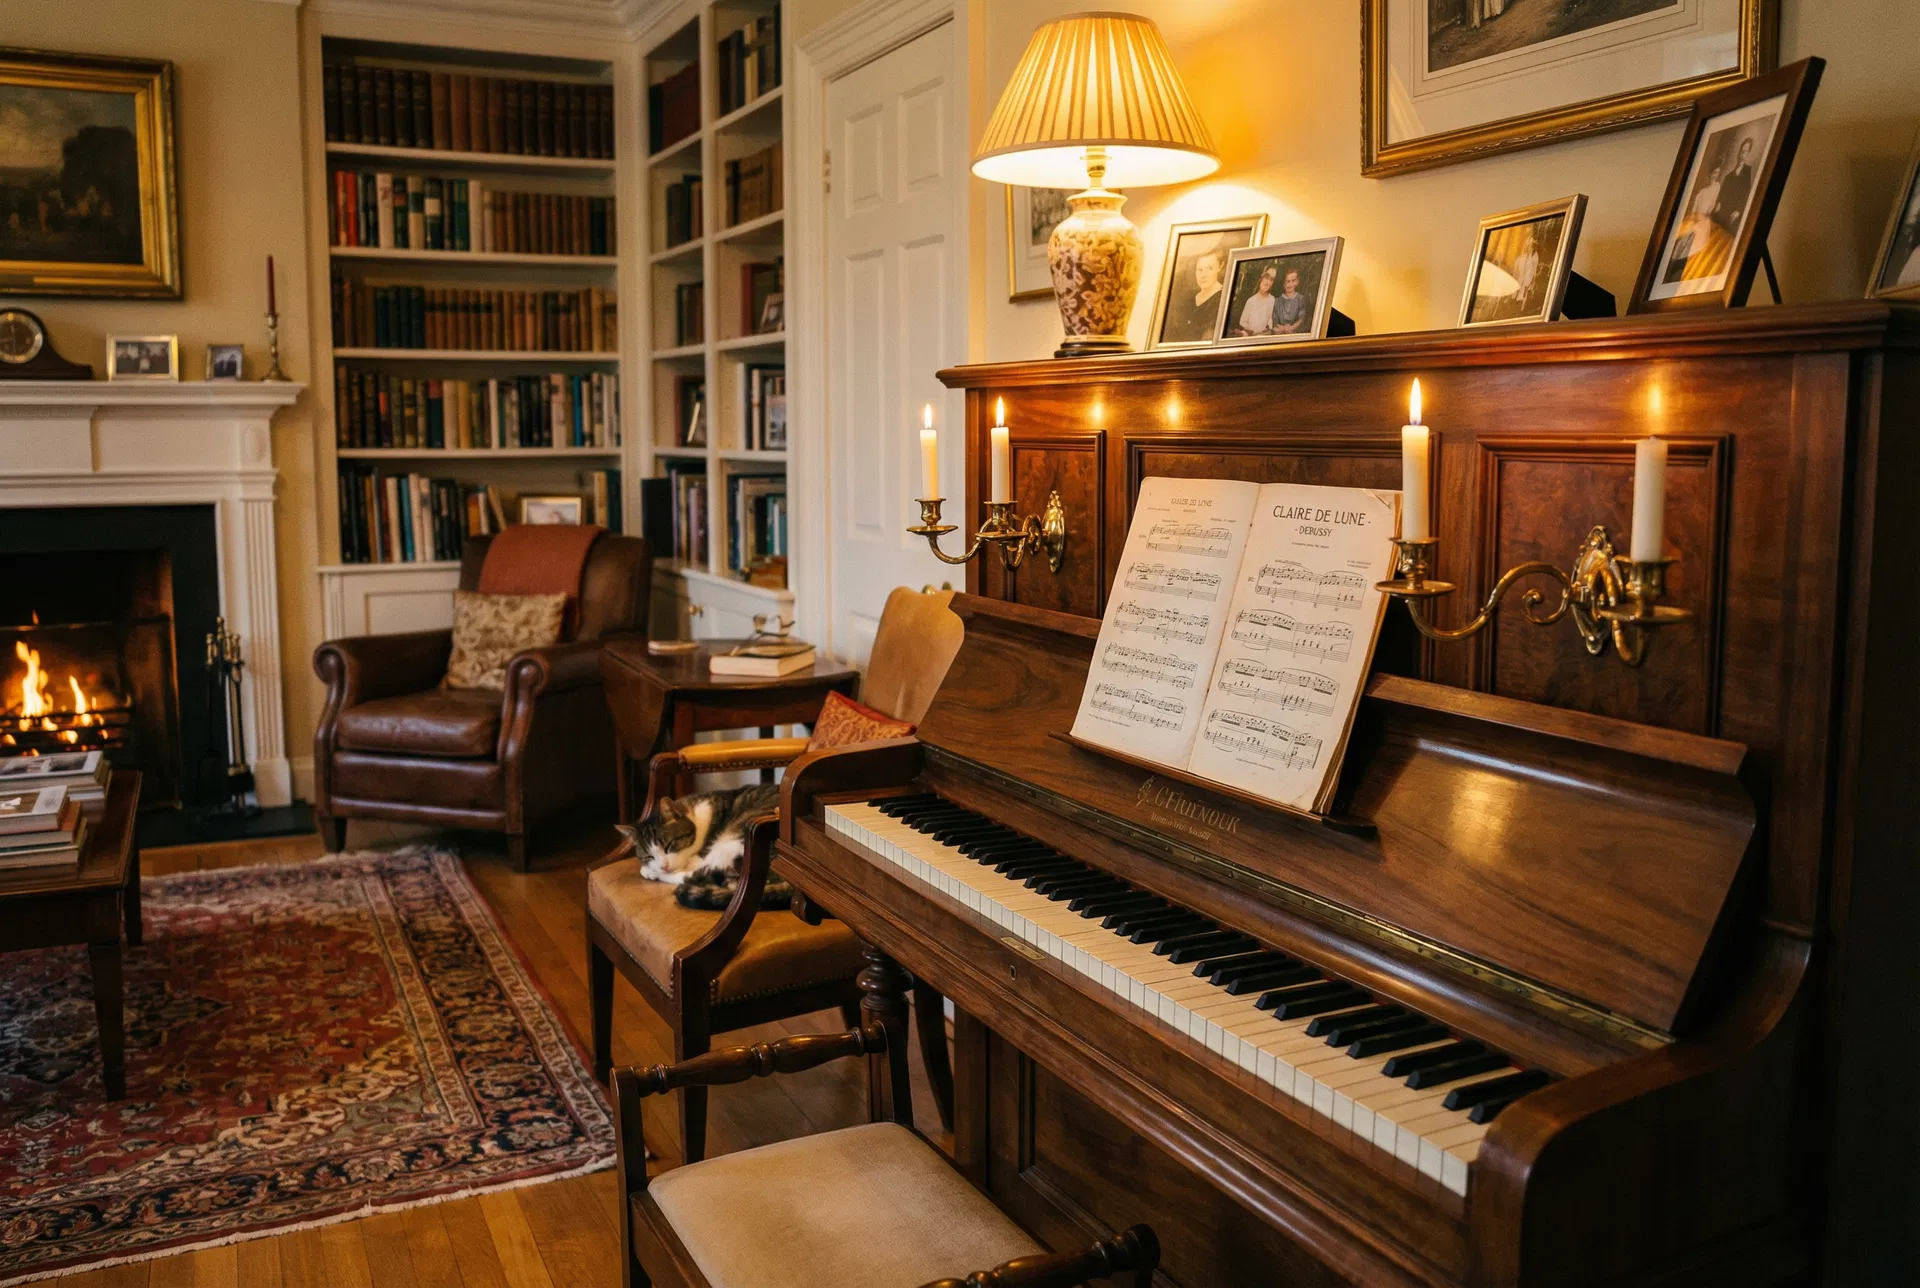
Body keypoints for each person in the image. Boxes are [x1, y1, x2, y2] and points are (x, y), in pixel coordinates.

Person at [1160, 242, 1229, 342]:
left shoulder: (1223, 299)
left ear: (1220, 267)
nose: (1203, 275)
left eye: (1210, 268)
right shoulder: (1188, 300)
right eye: (1200, 269)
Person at [1712, 137, 1757, 235]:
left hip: (1736, 216)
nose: (1742, 154)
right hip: (1723, 213)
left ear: (1748, 153)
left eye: (1745, 152)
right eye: (1741, 151)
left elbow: (1748, 197)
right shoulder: (1728, 176)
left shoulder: (1749, 173)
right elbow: (1721, 196)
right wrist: (1719, 203)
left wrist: (1738, 212)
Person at [1236, 264, 1279, 335]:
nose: (1267, 282)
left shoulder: (1272, 300)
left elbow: (1271, 323)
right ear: (1261, 278)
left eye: (1271, 280)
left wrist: (1265, 332)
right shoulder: (1251, 301)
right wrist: (1250, 332)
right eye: (1266, 277)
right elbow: (1242, 322)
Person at [1269, 268, 1310, 334]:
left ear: (1297, 281)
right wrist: (1281, 328)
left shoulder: (1300, 298)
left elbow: (1301, 318)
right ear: (1283, 283)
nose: (1290, 284)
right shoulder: (1278, 301)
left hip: (1294, 331)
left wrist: (1292, 327)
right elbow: (1274, 319)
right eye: (1287, 281)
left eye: (1293, 281)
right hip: (1280, 330)